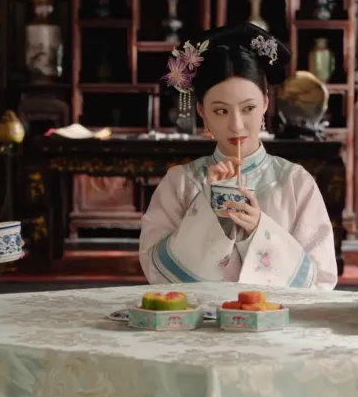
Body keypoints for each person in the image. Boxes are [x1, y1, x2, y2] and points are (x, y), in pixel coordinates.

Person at [139, 23, 337, 290]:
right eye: (221, 111)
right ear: (201, 111)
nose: (236, 125)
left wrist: (260, 231)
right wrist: (207, 209)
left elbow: (321, 277)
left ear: (265, 103)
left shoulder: (295, 182)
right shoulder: (181, 183)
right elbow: (156, 271)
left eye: (248, 108)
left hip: (276, 315)